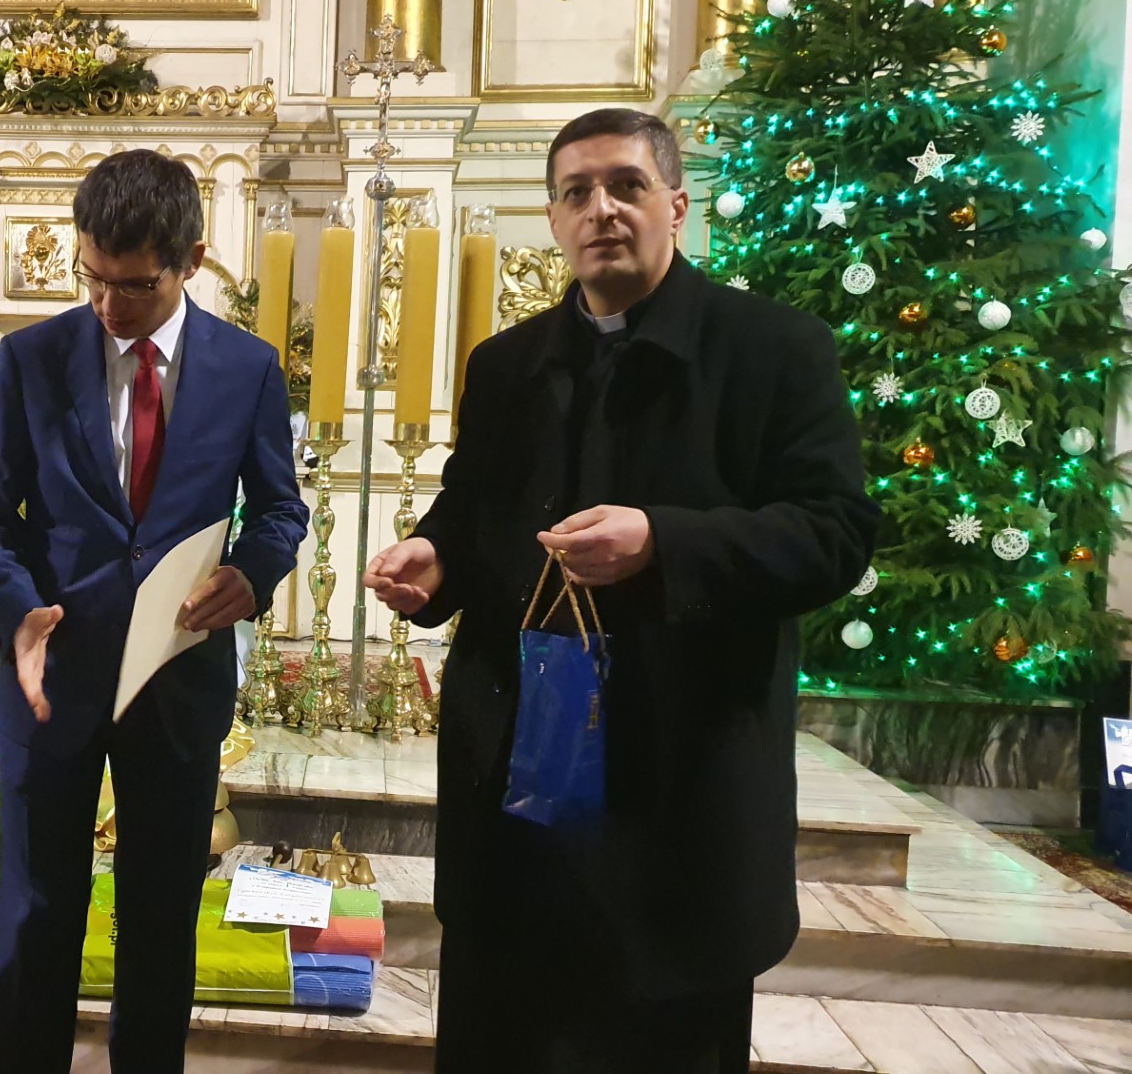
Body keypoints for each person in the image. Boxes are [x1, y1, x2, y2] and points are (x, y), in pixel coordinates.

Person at [364, 108, 877, 1073]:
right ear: (555, 221)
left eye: (626, 186)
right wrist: (434, 559)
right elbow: (474, 511)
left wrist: (662, 542)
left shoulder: (774, 349)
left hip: (679, 794)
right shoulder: (507, 365)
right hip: (518, 792)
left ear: (675, 206)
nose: (601, 209)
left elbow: (836, 534)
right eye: (577, 192)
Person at [0, 148, 309, 1072]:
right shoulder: (31, 359)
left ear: (192, 261)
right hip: (53, 677)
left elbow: (279, 509)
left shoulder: (247, 368)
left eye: (136, 285)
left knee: (160, 916)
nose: (109, 305)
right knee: (36, 917)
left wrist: (253, 573)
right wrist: (17, 611)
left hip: (178, 676)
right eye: (93, 279)